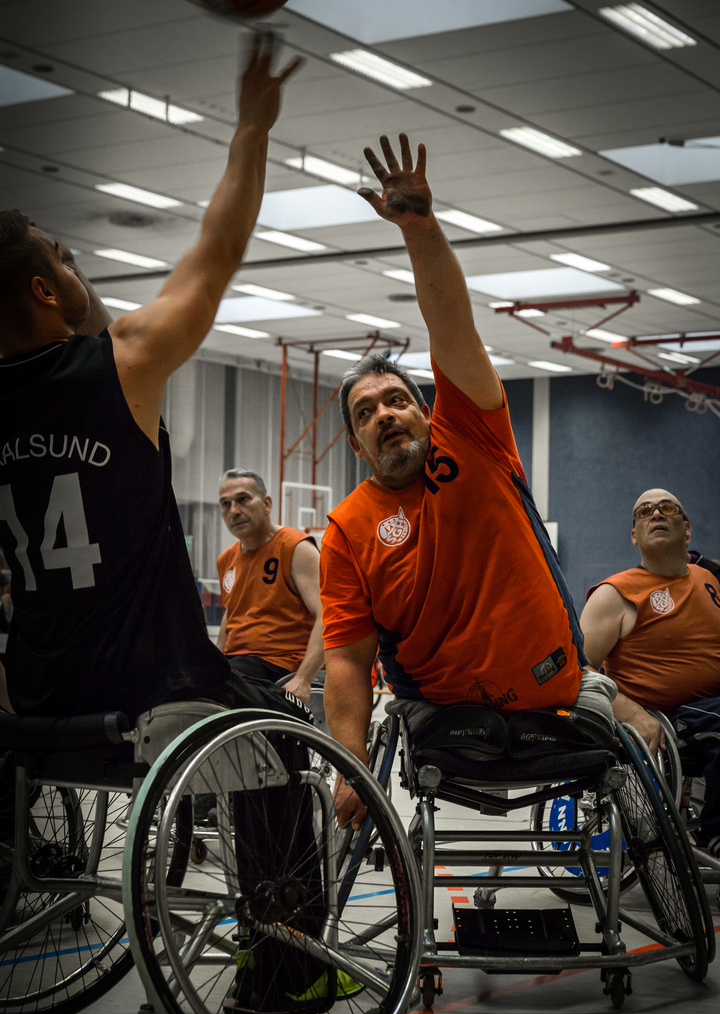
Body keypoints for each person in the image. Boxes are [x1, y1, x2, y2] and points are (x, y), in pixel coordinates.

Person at [0, 35, 305, 723]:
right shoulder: (125, 358)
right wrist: (253, 126)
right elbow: (218, 250)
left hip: (38, 695)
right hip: (153, 683)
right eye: (66, 258)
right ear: (47, 290)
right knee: (284, 727)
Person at [319, 134, 617, 829]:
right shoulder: (345, 534)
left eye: (396, 400)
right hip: (447, 722)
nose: (385, 415)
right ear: (357, 444)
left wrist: (420, 231)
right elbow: (346, 664)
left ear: (427, 411)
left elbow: (450, 322)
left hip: (555, 694)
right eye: (366, 413)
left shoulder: (476, 434)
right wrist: (352, 764)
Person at [581, 488, 720, 858]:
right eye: (644, 511)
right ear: (634, 535)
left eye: (668, 507)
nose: (656, 513)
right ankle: (718, 837)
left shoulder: (709, 579)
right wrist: (632, 713)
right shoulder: (615, 594)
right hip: (667, 715)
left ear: (687, 531)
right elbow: (579, 670)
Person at [216, 468, 324, 704]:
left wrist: (304, 679)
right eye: (226, 504)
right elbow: (231, 614)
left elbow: (328, 614)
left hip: (280, 666)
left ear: (266, 503)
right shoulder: (226, 560)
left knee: (226, 681)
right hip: (239, 666)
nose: (234, 511)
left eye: (242, 499)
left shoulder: (297, 549)